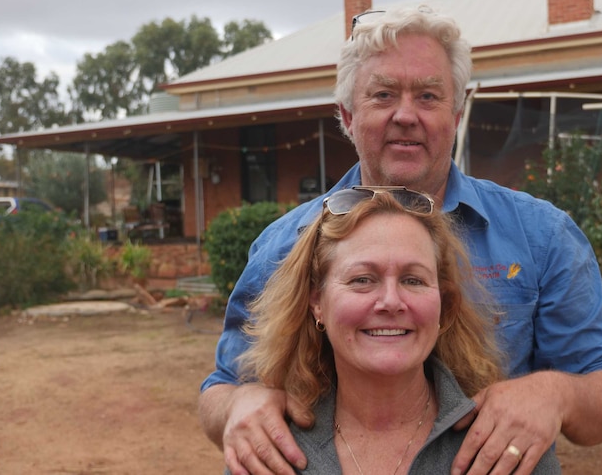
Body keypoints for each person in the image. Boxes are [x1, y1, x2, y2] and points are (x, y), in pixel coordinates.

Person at [199, 6, 602, 475]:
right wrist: (236, 406)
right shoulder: (284, 245)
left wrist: (558, 394)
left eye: (428, 96)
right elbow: (223, 385)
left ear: (457, 112)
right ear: (348, 115)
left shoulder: (540, 236)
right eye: (383, 94)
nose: (406, 115)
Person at [236, 188, 562, 474]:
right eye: (362, 279)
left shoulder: (507, 441)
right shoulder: (266, 447)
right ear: (317, 302)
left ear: (443, 305)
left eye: (413, 280)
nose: (391, 302)